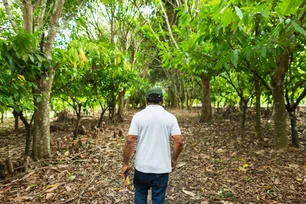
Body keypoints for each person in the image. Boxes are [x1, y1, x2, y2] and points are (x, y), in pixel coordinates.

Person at [122, 87, 183, 204]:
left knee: (140, 192)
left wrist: (126, 163)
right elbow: (179, 141)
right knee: (158, 197)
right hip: (162, 169)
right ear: (163, 100)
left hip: (142, 167)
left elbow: (130, 141)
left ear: (146, 101)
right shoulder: (170, 118)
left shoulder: (138, 117)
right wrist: (174, 159)